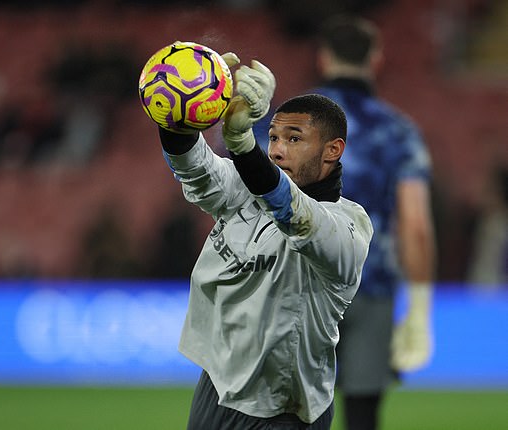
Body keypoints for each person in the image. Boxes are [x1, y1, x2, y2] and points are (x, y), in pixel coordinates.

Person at [154, 52, 373, 429]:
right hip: (218, 386)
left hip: (283, 408)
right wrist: (185, 107)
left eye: (294, 138)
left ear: (332, 150)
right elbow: (194, 168)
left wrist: (242, 144)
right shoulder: (244, 192)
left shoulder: (349, 225)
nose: (276, 149)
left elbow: (296, 216)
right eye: (271, 137)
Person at [311, 16, 437, 430]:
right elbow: (415, 225)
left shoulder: (284, 126)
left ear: (324, 58)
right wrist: (418, 309)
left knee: (289, 412)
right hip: (371, 283)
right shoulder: (398, 132)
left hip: (301, 288)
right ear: (376, 59)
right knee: (362, 417)